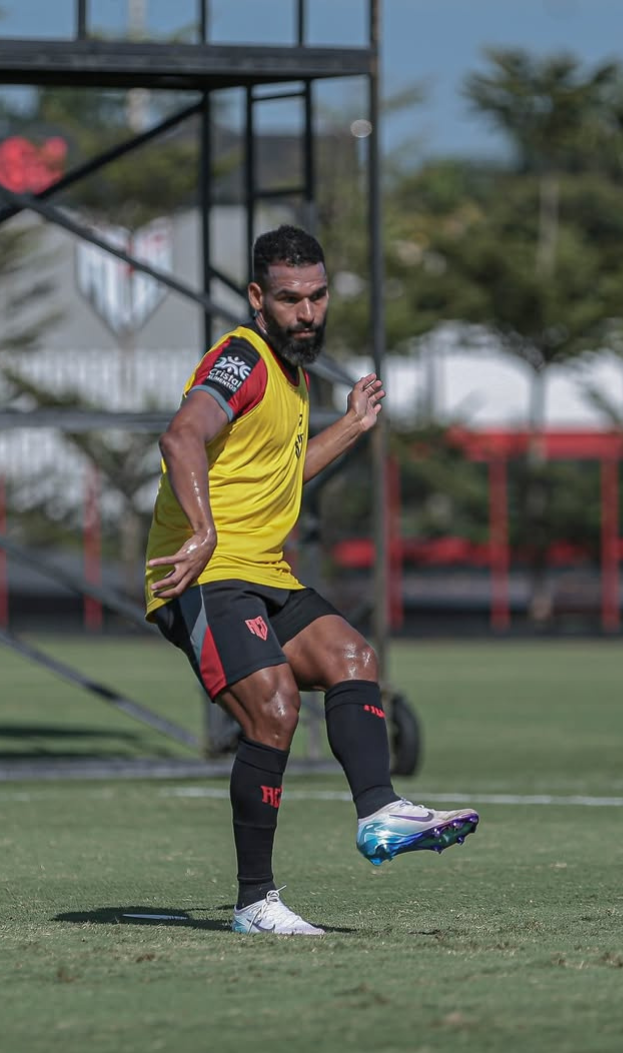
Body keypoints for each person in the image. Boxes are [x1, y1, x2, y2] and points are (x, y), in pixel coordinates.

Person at [144, 226, 479, 935]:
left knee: (353, 657)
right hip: (206, 573)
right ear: (257, 298)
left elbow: (279, 474)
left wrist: (352, 426)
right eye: (291, 298)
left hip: (262, 571)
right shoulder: (242, 359)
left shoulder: (290, 376)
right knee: (274, 710)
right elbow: (181, 435)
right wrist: (201, 530)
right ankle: (255, 903)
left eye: (318, 296)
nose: (307, 312)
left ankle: (380, 812)